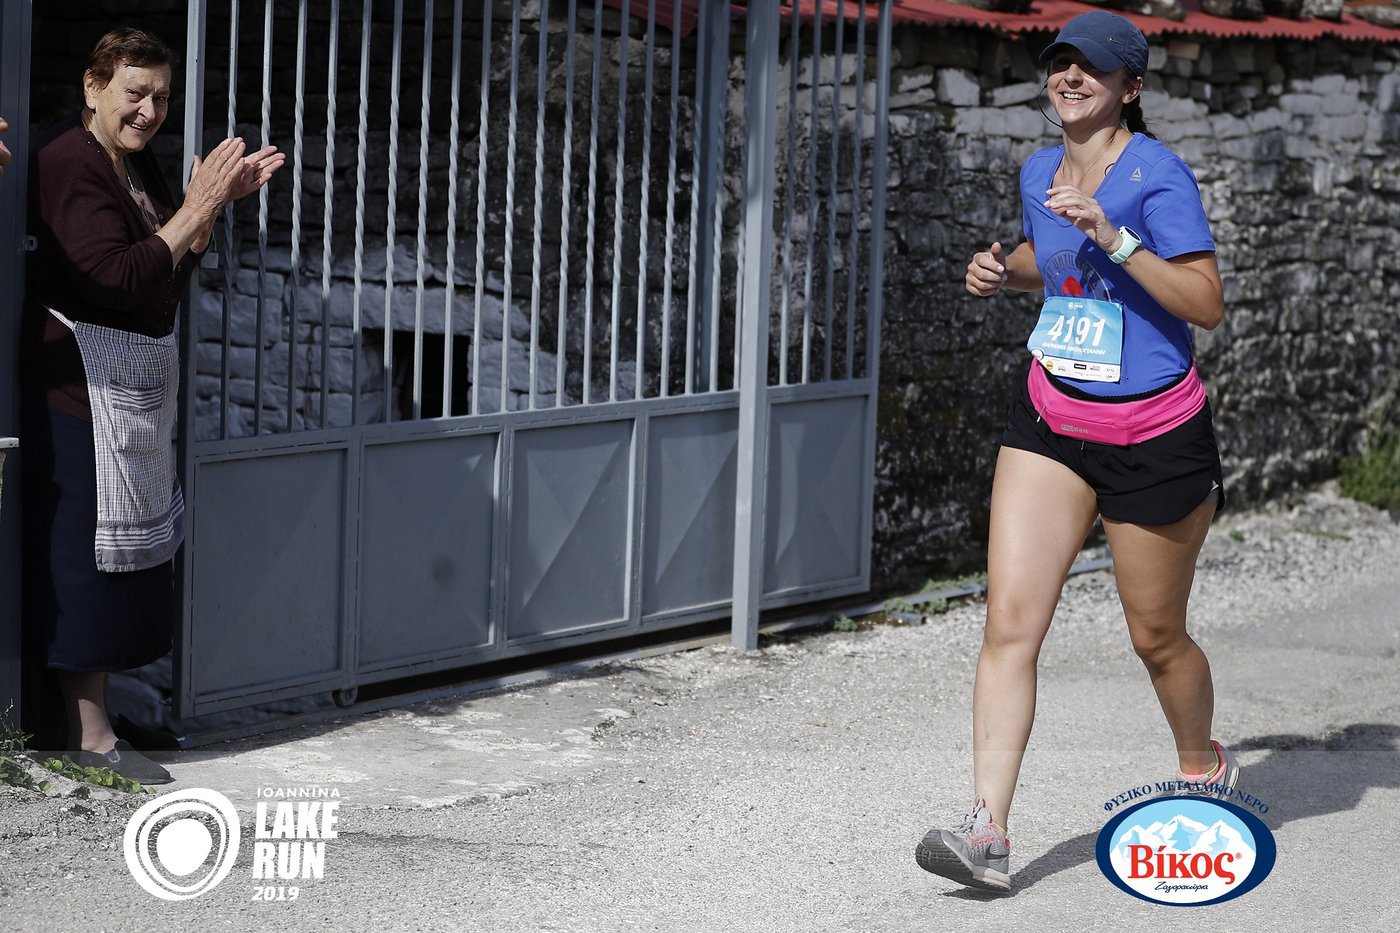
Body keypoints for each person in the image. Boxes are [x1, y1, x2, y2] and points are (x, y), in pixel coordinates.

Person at [914, 12, 1236, 893]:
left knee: (1156, 636)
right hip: (1052, 419)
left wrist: (1114, 236)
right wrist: (1001, 269)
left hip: (1153, 434)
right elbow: (1050, 263)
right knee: (1010, 623)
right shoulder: (1037, 172)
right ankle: (986, 829)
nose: (1070, 77)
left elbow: (1204, 301)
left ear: (1131, 87)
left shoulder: (1157, 174)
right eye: (1060, 63)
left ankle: (1202, 764)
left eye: (1091, 67)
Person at [19, 27, 284, 784]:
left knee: (129, 566)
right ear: (93, 86)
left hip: (130, 394)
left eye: (162, 97)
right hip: (77, 391)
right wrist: (197, 207)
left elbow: (165, 271)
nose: (149, 111)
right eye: (135, 93)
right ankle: (87, 735)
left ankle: (97, 717)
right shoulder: (67, 161)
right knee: (86, 561)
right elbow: (113, 277)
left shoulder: (134, 163)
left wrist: (209, 209)